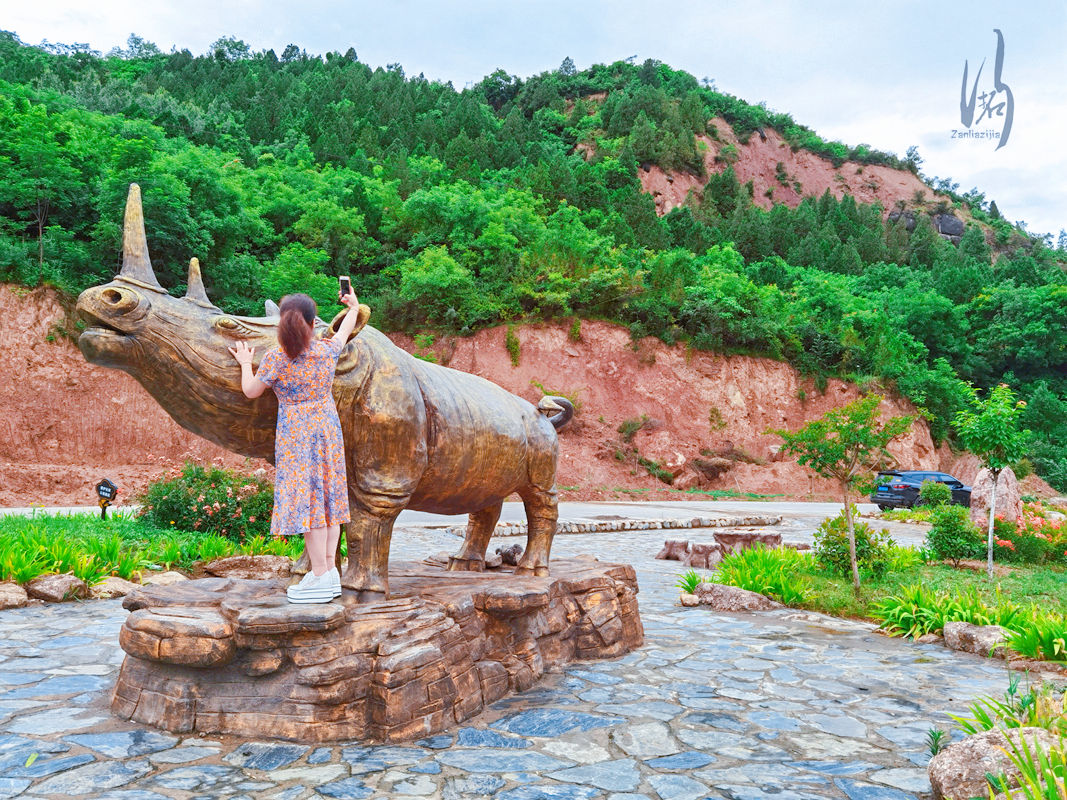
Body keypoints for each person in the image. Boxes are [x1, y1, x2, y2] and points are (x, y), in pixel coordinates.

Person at [228, 289, 362, 603]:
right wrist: (353, 306)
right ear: (314, 323)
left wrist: (246, 362)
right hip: (327, 432)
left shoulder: (276, 358)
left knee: (310, 507)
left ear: (282, 325)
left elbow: (251, 391)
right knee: (327, 505)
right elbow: (345, 330)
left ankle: (319, 576)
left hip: (297, 438)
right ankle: (328, 574)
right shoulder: (326, 351)